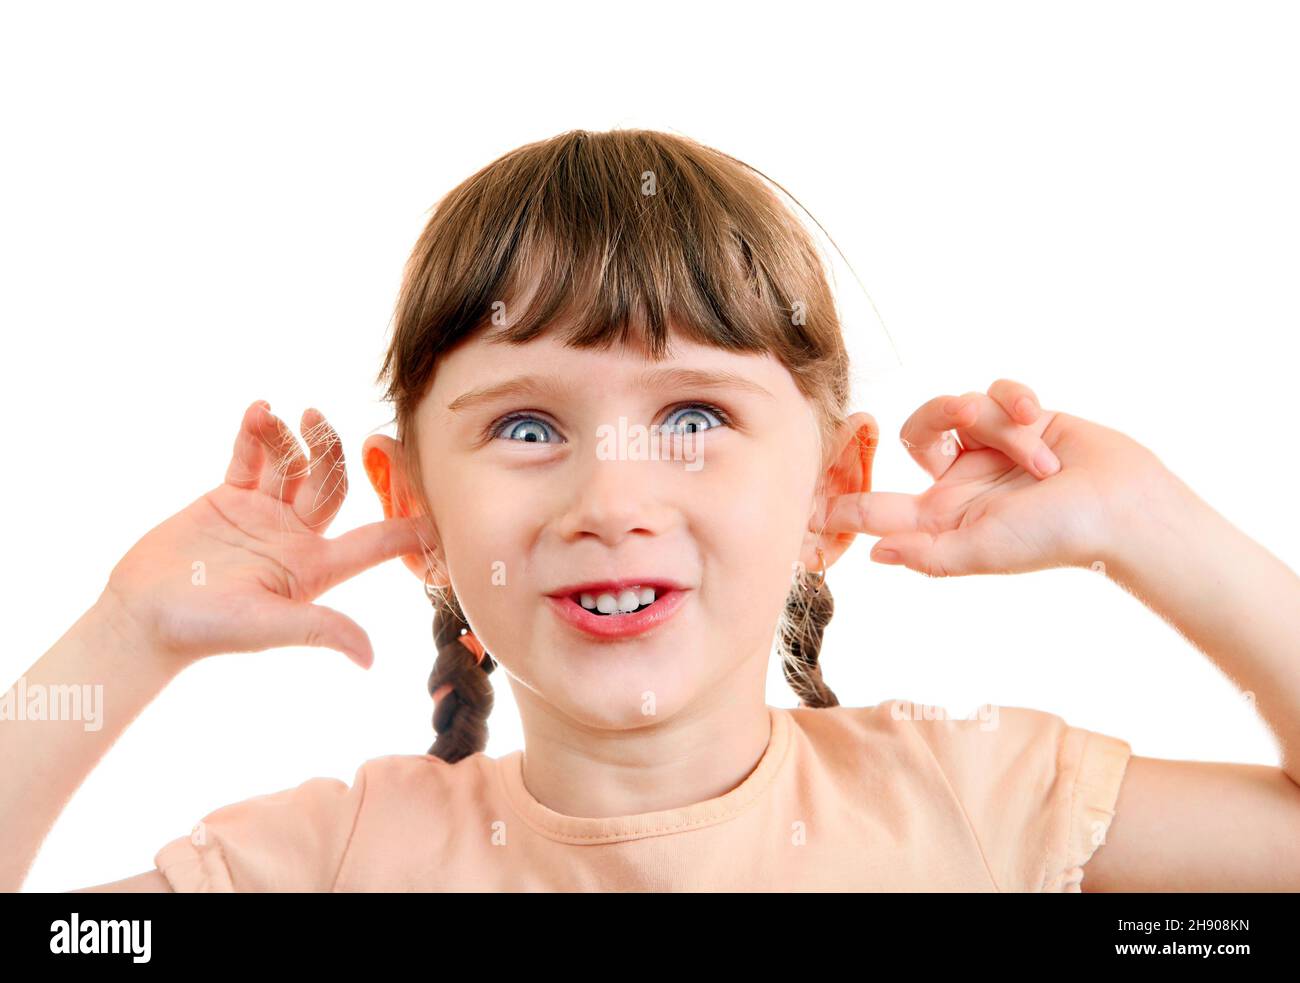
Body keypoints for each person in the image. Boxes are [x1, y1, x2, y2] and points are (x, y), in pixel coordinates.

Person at [8, 128, 1299, 892]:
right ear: (418, 512)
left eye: (694, 422)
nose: (610, 498)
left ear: (832, 491)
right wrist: (131, 634)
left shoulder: (976, 796)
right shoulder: (333, 863)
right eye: (527, 427)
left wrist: (1155, 528)